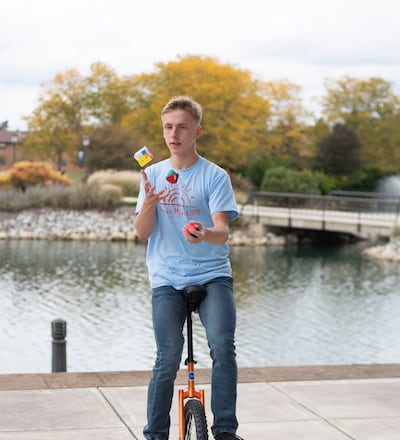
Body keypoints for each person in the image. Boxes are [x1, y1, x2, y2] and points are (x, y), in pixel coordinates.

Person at [135, 96, 244, 440]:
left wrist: (204, 234)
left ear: (197, 130)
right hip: (167, 277)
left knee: (223, 346)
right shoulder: (151, 175)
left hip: (212, 274)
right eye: (168, 127)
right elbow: (142, 233)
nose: (174, 133)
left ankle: (225, 430)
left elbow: (222, 231)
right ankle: (155, 434)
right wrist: (149, 205)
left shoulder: (214, 176)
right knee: (168, 357)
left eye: (182, 126)